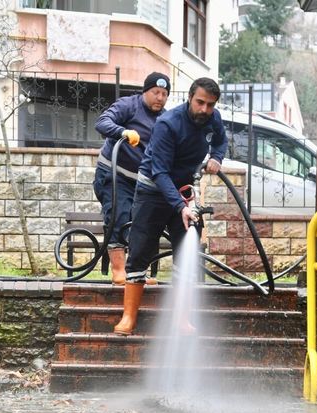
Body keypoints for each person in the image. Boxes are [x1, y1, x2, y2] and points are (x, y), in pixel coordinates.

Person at [113, 77, 228, 335]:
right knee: (141, 250)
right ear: (189, 98)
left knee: (187, 251)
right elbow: (160, 172)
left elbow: (220, 141)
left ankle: (181, 319)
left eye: (210, 105)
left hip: (185, 191)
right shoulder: (168, 124)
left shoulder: (213, 118)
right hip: (153, 190)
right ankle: (129, 317)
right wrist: (180, 206)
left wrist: (217, 157)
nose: (204, 110)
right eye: (200, 103)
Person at [93, 72, 171, 285]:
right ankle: (119, 271)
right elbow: (102, 122)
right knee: (119, 216)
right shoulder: (129, 105)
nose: (160, 97)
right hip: (113, 174)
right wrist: (123, 132)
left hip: (140, 181)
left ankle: (137, 273)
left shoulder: (165, 119)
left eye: (164, 94)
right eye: (156, 92)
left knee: (141, 224)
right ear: (146, 91)